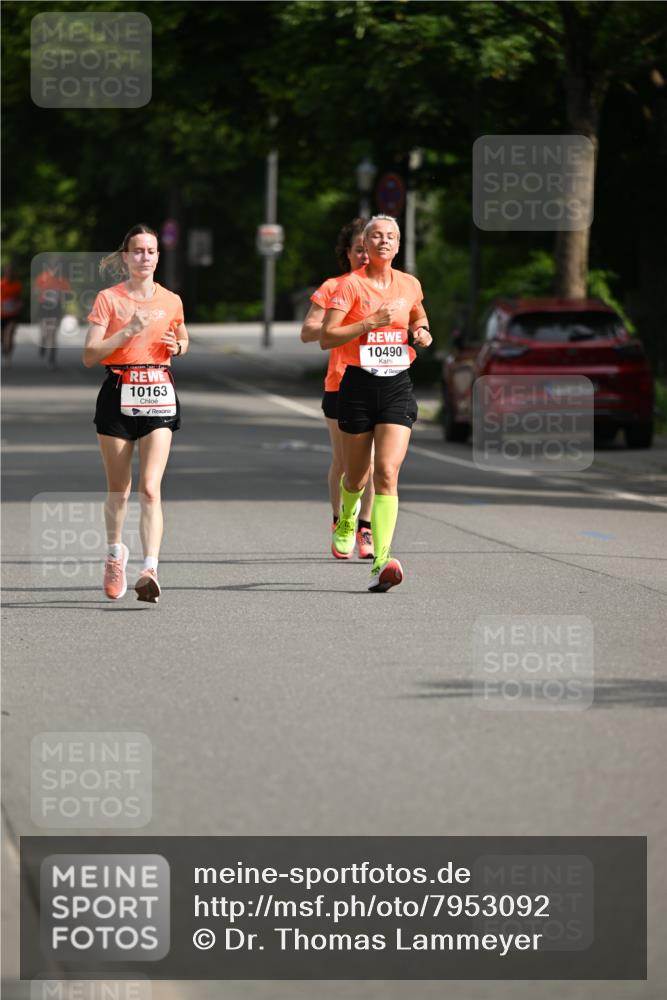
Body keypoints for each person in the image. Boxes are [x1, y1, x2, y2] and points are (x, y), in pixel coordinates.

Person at [320, 215, 432, 592]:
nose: (384, 242)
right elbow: (327, 337)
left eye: (391, 237)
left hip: (397, 384)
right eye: (376, 237)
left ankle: (382, 558)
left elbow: (419, 316)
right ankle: (347, 516)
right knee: (356, 476)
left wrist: (422, 332)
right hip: (357, 386)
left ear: (399, 246)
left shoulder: (409, 284)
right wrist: (370, 322)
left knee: (386, 471)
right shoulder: (350, 286)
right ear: (364, 246)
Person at [83, 224, 188, 603]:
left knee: (150, 489)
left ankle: (150, 568)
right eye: (138, 251)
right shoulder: (108, 299)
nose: (145, 257)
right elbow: (90, 354)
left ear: (159, 256)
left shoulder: (172, 300)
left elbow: (182, 336)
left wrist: (179, 345)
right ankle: (114, 555)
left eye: (151, 251)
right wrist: (128, 331)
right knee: (120, 491)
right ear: (126, 257)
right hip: (117, 392)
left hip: (159, 394)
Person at [300, 219, 375, 559]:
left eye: (368, 249)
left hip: (380, 381)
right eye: (358, 249)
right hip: (341, 382)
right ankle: (338, 520)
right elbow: (308, 331)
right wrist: (345, 323)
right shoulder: (334, 287)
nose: (364, 255)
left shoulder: (388, 288)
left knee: (372, 463)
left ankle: (365, 528)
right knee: (346, 463)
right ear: (347, 253)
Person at [34, 259, 71, 367]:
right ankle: (43, 343)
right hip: (44, 307)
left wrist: (62, 296)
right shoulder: (42, 278)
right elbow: (36, 291)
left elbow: (67, 296)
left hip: (56, 308)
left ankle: (52, 356)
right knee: (44, 332)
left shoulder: (63, 281)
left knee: (53, 333)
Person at [1, 263, 23, 364]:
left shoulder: (17, 285)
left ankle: (8, 357)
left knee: (9, 335)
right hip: (1, 315)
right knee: (3, 336)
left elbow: (19, 299)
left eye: (11, 272)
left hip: (12, 314)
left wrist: (19, 305)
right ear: (5, 273)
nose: (9, 274)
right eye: (7, 272)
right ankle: (5, 348)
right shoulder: (1, 284)